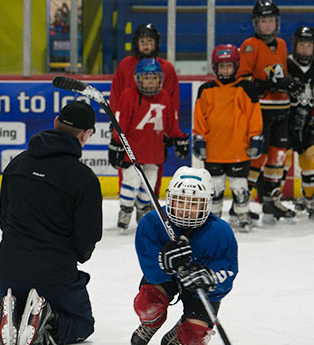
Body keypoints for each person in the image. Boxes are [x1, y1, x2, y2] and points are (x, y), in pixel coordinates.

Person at [0, 100, 103, 345]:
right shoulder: (84, 179)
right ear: (86, 135)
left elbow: (5, 221)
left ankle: (8, 316)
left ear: (55, 123)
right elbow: (88, 236)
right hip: (54, 274)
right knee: (83, 323)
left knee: (13, 295)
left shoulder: (16, 164)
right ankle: (48, 320)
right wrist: (72, 258)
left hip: (8, 269)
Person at [130, 166, 238, 345]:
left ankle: (183, 328)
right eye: (180, 201)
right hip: (166, 280)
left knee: (195, 339)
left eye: (194, 203)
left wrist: (211, 278)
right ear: (170, 198)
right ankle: (152, 323)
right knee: (147, 305)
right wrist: (162, 263)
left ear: (207, 203)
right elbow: (150, 269)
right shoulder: (153, 223)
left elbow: (227, 272)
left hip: (197, 288)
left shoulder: (221, 232)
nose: (185, 210)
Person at [237, 0, 304, 221]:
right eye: (263, 21)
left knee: (278, 155)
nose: (267, 25)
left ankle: (271, 201)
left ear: (276, 22)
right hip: (261, 110)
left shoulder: (283, 45)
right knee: (259, 154)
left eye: (271, 20)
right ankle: (241, 202)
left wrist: (289, 84)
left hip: (282, 108)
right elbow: (244, 81)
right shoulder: (249, 45)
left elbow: (280, 74)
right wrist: (268, 85)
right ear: (256, 23)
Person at [109, 59, 188, 231]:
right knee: (130, 184)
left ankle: (142, 210)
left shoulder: (165, 96)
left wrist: (180, 138)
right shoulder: (129, 95)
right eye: (146, 78)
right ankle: (126, 209)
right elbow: (121, 124)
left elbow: (170, 125)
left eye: (154, 78)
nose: (151, 82)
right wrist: (116, 143)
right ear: (138, 79)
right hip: (132, 152)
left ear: (160, 79)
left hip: (154, 152)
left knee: (149, 188)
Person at [193, 44, 263, 231]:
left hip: (239, 150)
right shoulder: (205, 90)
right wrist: (199, 138)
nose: (225, 69)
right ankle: (214, 221)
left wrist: (255, 137)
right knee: (214, 189)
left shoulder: (246, 88)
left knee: (240, 188)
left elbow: (254, 116)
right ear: (215, 67)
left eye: (229, 66)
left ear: (236, 66)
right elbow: (200, 118)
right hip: (214, 151)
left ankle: (243, 215)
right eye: (222, 66)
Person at [109, 23, 182, 200]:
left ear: (156, 43)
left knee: (154, 168)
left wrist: (170, 129)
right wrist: (115, 123)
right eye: (142, 41)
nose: (146, 45)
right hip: (129, 127)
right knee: (127, 167)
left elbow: (172, 101)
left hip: (155, 129)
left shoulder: (166, 68)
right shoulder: (126, 65)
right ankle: (126, 203)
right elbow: (116, 94)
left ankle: (150, 202)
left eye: (150, 41)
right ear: (136, 43)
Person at [285, 26, 314, 217]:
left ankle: (310, 199)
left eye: (309, 45)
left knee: (310, 159)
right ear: (295, 45)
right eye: (302, 44)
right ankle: (272, 199)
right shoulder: (286, 63)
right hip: (286, 121)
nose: (305, 48)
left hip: (309, 122)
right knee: (282, 160)